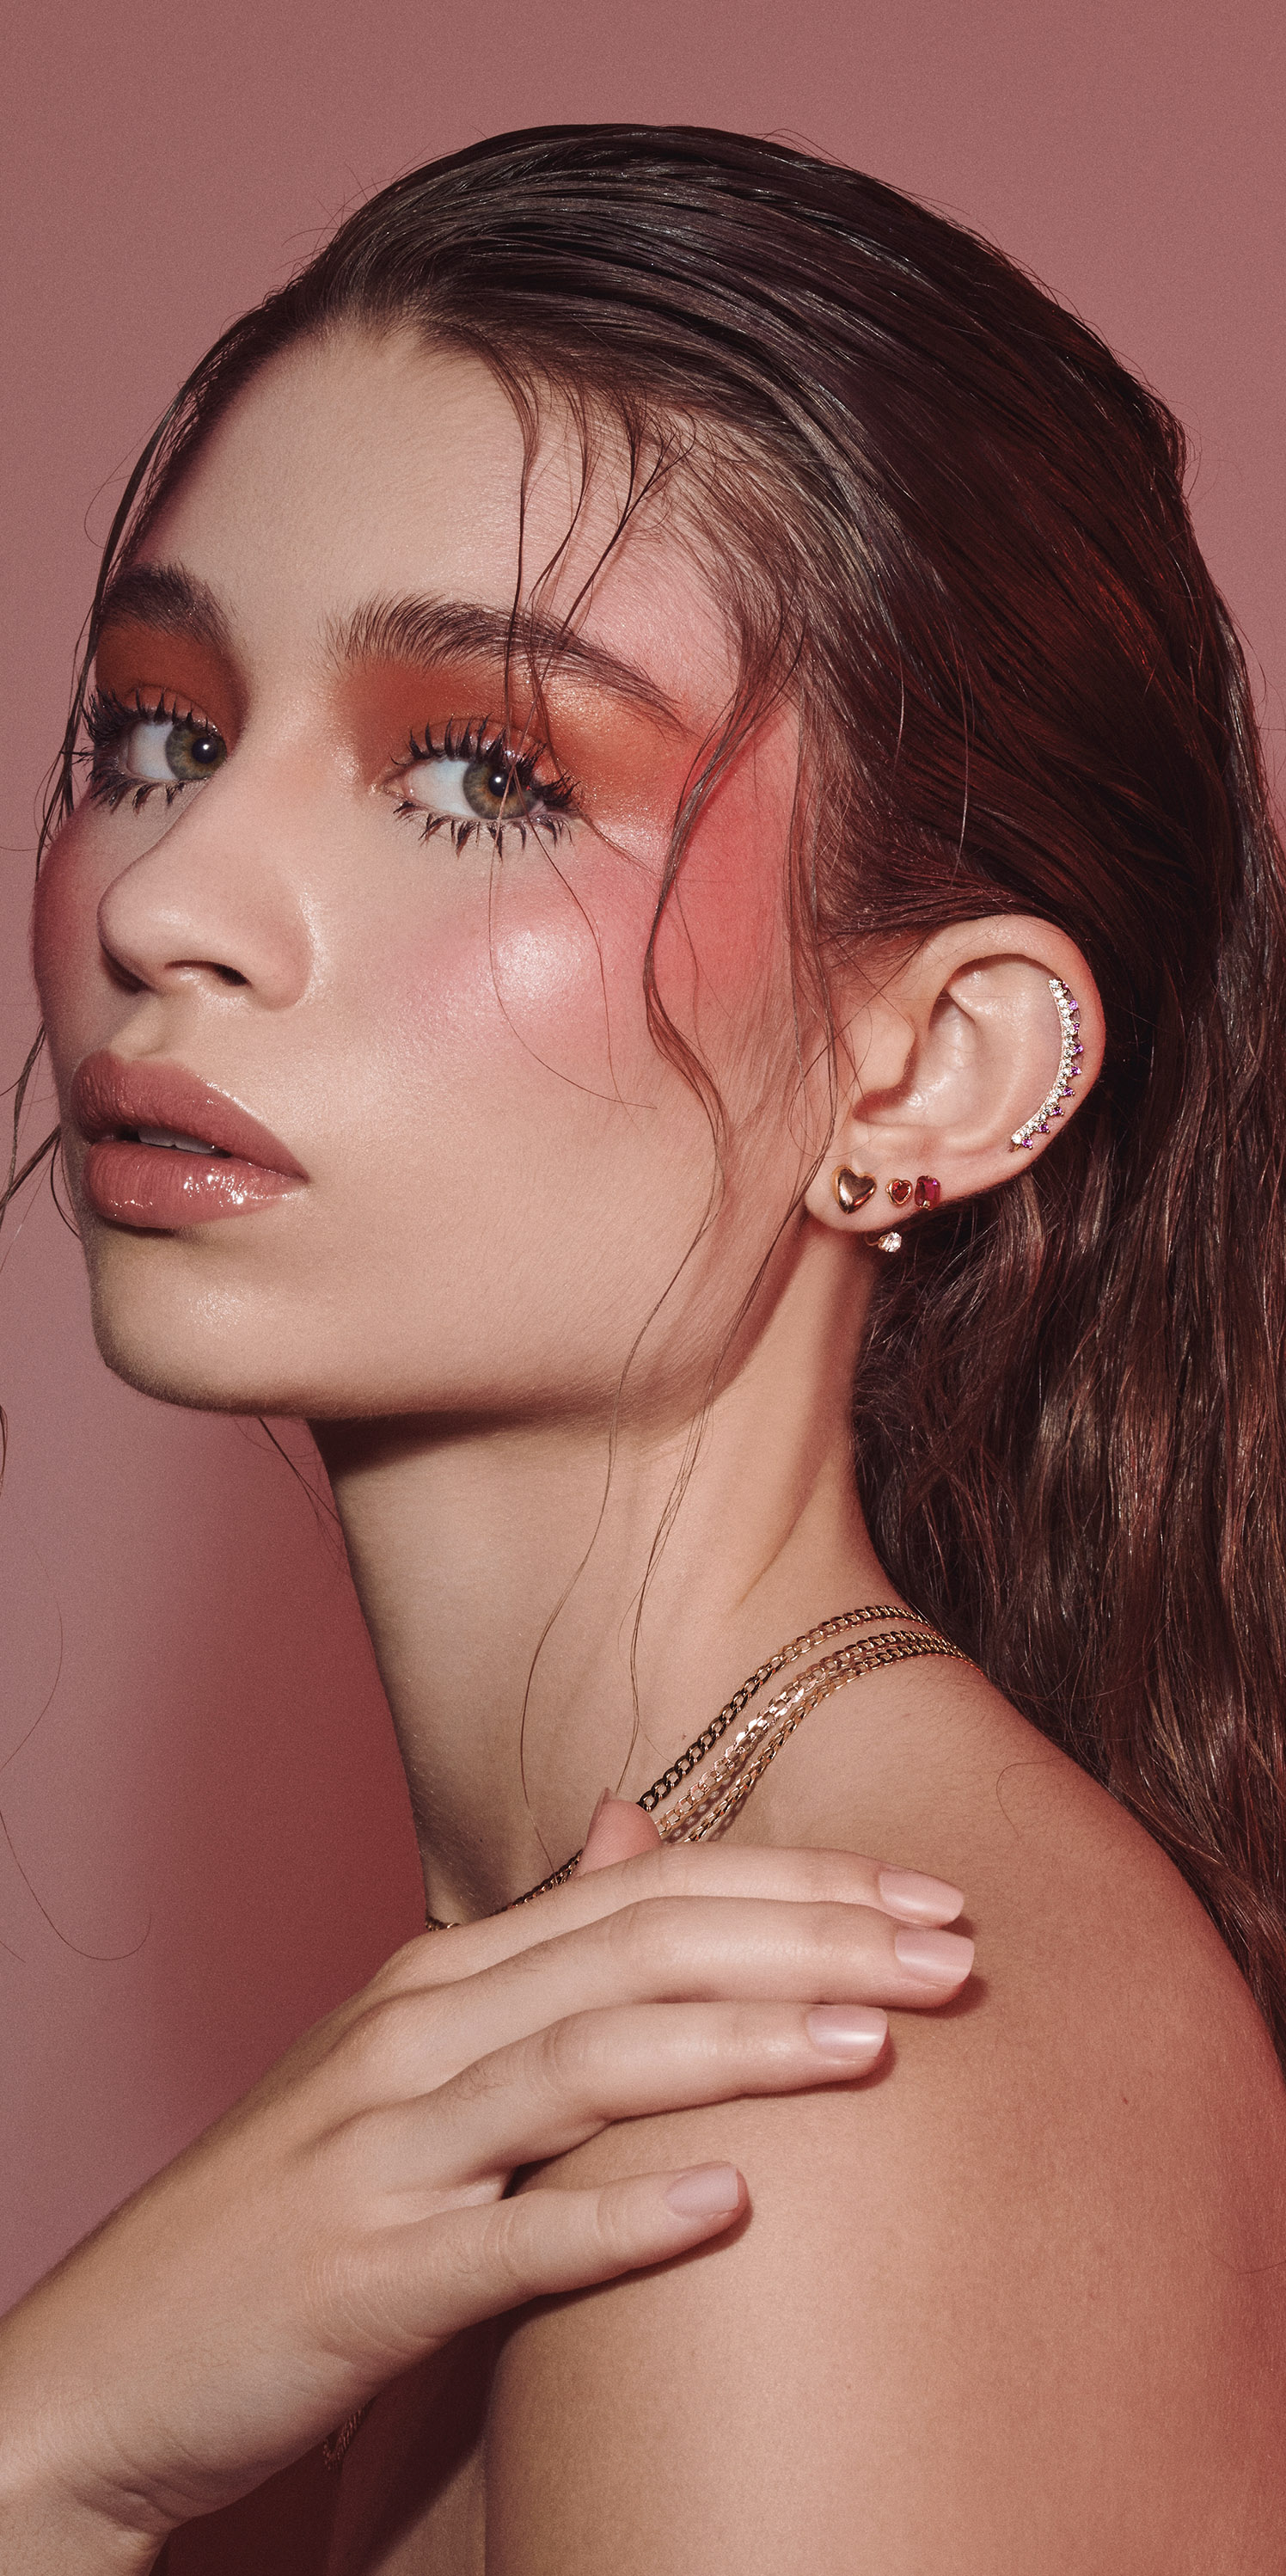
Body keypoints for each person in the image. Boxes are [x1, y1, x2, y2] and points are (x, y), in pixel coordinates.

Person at [3, 121, 1285, 2572]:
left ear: (930, 1072)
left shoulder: (806, 2092)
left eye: (483, 774)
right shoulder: (592, 1995)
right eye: (160, 729)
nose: (170, 899)